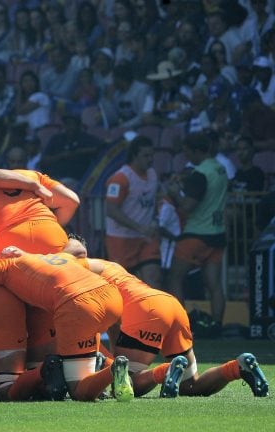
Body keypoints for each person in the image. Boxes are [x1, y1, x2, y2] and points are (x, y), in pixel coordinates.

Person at [64, 235, 269, 398]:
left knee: (126, 383)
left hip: (146, 309)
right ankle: (238, 366)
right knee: (191, 385)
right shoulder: (110, 266)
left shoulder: (75, 266)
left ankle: (165, 371)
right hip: (168, 303)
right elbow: (116, 334)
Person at [0, 247, 131, 402]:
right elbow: (87, 257)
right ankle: (102, 362)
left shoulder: (6, 266)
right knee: (78, 351)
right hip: (111, 296)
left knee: (79, 390)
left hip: (77, 305)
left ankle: (114, 368)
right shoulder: (55, 257)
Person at [165, 133, 228, 333]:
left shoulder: (200, 173)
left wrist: (174, 193)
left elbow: (187, 206)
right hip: (218, 233)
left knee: (174, 278)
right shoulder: (220, 168)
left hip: (197, 234)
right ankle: (217, 324)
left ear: (196, 151)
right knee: (214, 284)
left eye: (187, 153)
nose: (186, 157)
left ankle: (180, 327)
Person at [104, 136, 162, 288]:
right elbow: (111, 210)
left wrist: (156, 220)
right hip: (121, 239)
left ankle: (153, 311)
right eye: (145, 156)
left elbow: (155, 200)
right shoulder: (120, 179)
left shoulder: (152, 175)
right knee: (123, 285)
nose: (150, 160)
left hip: (146, 237)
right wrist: (138, 227)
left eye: (152, 155)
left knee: (153, 278)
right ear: (134, 156)